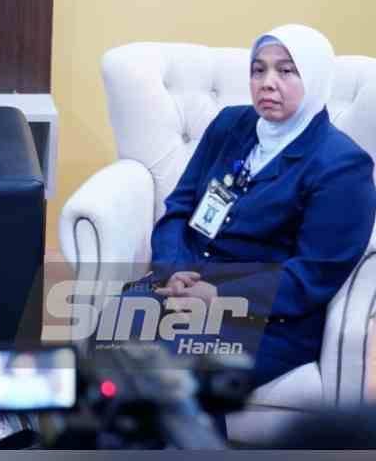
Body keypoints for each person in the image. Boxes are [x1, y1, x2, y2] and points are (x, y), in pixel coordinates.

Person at [124, 24, 375, 393]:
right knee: (111, 335)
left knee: (165, 371)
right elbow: (180, 207)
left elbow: (312, 275)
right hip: (185, 289)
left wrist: (218, 298)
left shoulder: (342, 167)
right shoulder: (231, 125)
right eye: (258, 70)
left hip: (268, 321)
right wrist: (173, 271)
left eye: (286, 70)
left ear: (316, 77)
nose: (267, 82)